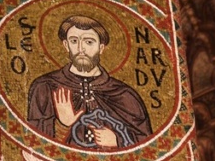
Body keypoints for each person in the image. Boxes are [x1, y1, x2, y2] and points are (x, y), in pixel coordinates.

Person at [26, 15, 152, 147]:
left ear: (101, 48)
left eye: (89, 42)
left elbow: (147, 145)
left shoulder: (125, 95)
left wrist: (117, 140)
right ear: (66, 45)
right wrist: (63, 125)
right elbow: (34, 145)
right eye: (74, 41)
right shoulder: (45, 86)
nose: (81, 49)